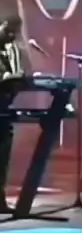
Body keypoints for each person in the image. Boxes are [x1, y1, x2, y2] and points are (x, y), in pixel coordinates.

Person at [0, 15, 32, 212]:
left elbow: (21, 72)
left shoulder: (12, 48)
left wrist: (20, 77)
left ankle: (0, 201)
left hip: (3, 109)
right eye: (8, 31)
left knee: (2, 157)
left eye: (14, 32)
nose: (11, 36)